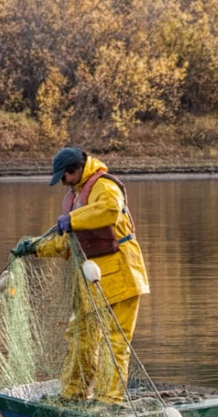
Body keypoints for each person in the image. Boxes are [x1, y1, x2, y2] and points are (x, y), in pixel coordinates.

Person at [11, 147, 149, 404]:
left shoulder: (105, 185)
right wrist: (33, 246)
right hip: (91, 283)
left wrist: (73, 219)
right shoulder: (75, 196)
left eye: (62, 177)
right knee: (80, 337)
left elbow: (110, 209)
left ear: (73, 170)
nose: (61, 183)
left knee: (115, 341)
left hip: (122, 275)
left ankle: (109, 400)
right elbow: (66, 244)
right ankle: (74, 394)